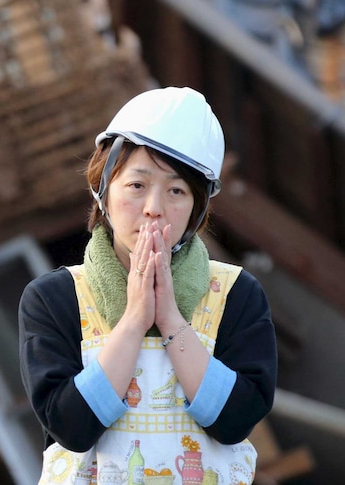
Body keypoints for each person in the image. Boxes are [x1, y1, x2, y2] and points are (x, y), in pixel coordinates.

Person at [19, 86, 277, 485]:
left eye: (176, 191)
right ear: (102, 189)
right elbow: (71, 427)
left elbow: (235, 421)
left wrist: (171, 320)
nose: (154, 206)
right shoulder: (54, 298)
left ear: (197, 209)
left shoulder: (236, 294)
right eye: (137, 185)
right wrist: (135, 320)